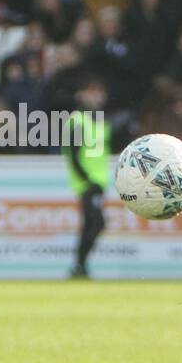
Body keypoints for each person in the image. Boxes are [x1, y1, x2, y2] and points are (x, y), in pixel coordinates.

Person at [64, 78, 111, 278]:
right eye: (92, 91)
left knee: (92, 223)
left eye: (99, 92)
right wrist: (86, 179)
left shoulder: (100, 120)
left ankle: (80, 265)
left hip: (98, 180)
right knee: (96, 222)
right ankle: (79, 265)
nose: (97, 96)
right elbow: (73, 154)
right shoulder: (77, 120)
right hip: (87, 182)